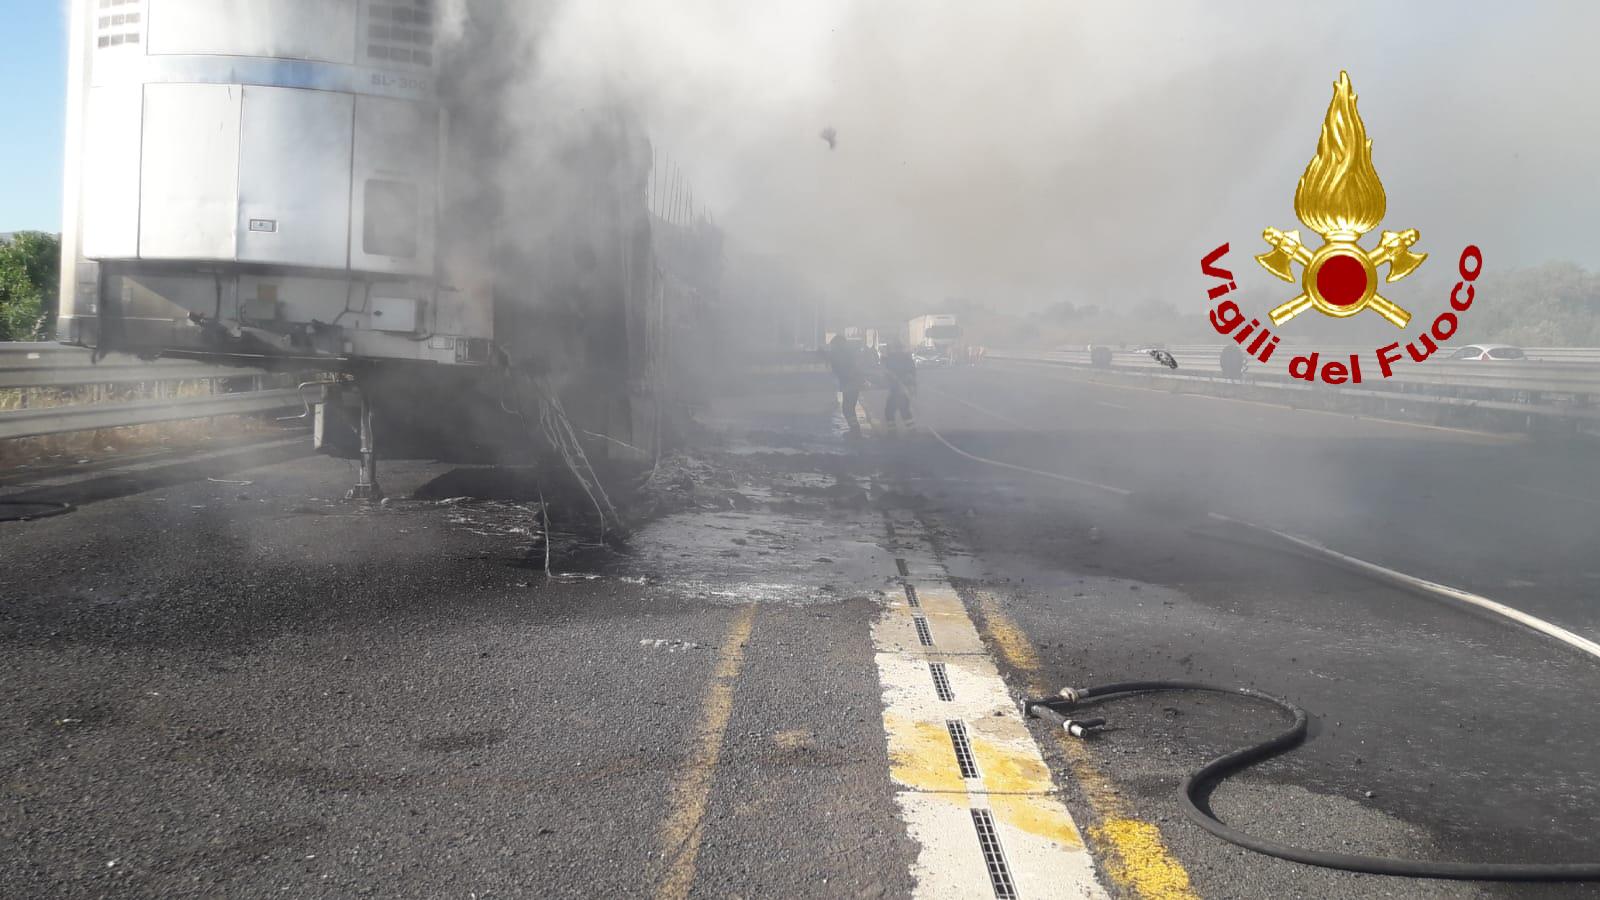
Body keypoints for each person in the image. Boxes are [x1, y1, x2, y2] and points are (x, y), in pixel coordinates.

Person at [826, 333, 863, 438]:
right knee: (848, 408)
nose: (832, 348)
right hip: (852, 384)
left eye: (833, 345)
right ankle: (855, 430)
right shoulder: (847, 353)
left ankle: (855, 431)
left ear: (838, 345)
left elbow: (840, 367)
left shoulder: (841, 355)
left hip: (850, 384)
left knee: (848, 408)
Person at [881, 338, 917, 434]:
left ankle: (893, 432)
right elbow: (912, 373)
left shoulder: (892, 359)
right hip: (904, 388)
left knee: (889, 411)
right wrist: (912, 387)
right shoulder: (907, 359)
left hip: (897, 389)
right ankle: (912, 430)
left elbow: (887, 373)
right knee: (904, 410)